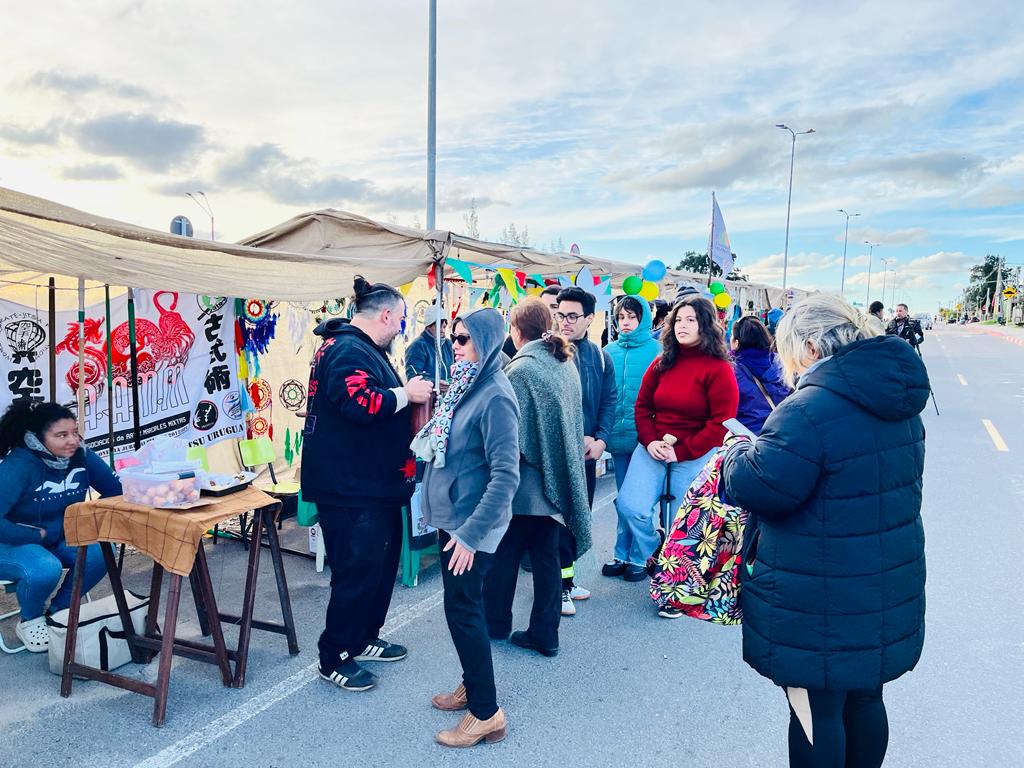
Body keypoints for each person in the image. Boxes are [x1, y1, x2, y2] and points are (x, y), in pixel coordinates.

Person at [722, 294, 926, 768]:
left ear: (811, 347)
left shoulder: (809, 408)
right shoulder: (896, 402)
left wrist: (736, 452)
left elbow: (764, 485)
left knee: (816, 709)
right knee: (865, 698)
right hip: (883, 578)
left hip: (820, 588)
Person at [302, 276, 434, 692]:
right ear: (387, 315)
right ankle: (335, 654)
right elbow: (361, 402)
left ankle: (363, 637)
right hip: (349, 487)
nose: (400, 330)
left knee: (378, 567)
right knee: (357, 571)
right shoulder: (345, 349)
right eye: (400, 321)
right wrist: (407, 394)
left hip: (371, 483)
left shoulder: (362, 348)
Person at [415, 308, 520, 748]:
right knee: (463, 607)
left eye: (463, 340)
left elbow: (506, 476)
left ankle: (486, 711)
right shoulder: (466, 386)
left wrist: (471, 535)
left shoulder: (495, 395)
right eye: (453, 338)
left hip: (470, 527)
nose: (454, 346)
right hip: (454, 519)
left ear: (487, 343)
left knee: (464, 611)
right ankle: (472, 686)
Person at [615, 295, 738, 610]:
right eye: (679, 319)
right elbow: (642, 406)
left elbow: (722, 422)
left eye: (691, 320)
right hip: (653, 447)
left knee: (684, 528)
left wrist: (683, 451)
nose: (683, 326)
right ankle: (655, 548)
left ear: (706, 325)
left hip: (693, 454)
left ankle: (676, 592)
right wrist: (650, 440)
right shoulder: (663, 361)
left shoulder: (718, 368)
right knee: (631, 506)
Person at [485, 297, 589, 657]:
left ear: (516, 331)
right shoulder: (564, 363)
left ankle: (495, 622)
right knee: (546, 562)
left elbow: (510, 436)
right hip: (555, 483)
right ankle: (546, 634)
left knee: (503, 555)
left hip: (523, 485)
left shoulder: (521, 369)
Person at [0, 401, 121, 652]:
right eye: (61, 435)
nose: (72, 441)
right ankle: (30, 619)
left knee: (100, 553)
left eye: (75, 432)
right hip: (13, 541)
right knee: (45, 567)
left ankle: (60, 611)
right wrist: (37, 533)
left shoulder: (81, 456)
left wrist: (87, 517)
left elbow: (115, 491)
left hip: (60, 536)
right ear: (38, 438)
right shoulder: (19, 465)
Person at [554, 286, 616, 615]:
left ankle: (567, 580)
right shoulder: (547, 352)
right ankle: (558, 588)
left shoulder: (601, 357)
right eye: (560, 314)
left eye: (572, 316)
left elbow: (609, 401)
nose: (564, 321)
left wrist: (600, 439)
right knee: (556, 522)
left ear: (589, 319)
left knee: (579, 519)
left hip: (587, 455)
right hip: (554, 456)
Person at [601, 296, 662, 581]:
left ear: (643, 320)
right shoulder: (608, 351)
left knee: (639, 500)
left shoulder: (658, 351)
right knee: (622, 499)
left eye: (631, 317)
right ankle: (621, 554)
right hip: (617, 437)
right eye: (621, 317)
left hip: (647, 439)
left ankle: (641, 556)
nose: (625, 322)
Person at [731, 316, 791, 436]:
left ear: (737, 343)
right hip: (780, 432)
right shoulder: (782, 362)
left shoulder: (733, 370)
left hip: (747, 435)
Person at [502, 285, 560, 359]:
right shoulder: (518, 336)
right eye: (544, 306)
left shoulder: (570, 339)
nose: (548, 310)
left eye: (554, 306)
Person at [404, 304, 454, 382]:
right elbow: (413, 376)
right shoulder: (417, 346)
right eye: (438, 327)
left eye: (444, 327)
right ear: (428, 326)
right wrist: (435, 383)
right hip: (428, 393)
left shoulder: (448, 344)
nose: (442, 330)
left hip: (449, 392)